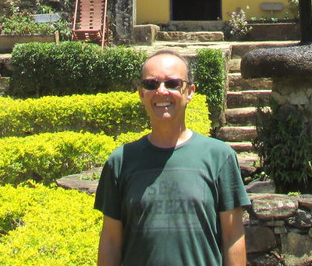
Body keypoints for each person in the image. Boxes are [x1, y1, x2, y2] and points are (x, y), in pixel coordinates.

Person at [95, 49, 250, 266]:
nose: (161, 91)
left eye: (173, 84)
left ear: (190, 92)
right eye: (151, 84)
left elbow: (232, 237)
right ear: (141, 94)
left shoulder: (219, 158)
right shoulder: (120, 161)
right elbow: (111, 241)